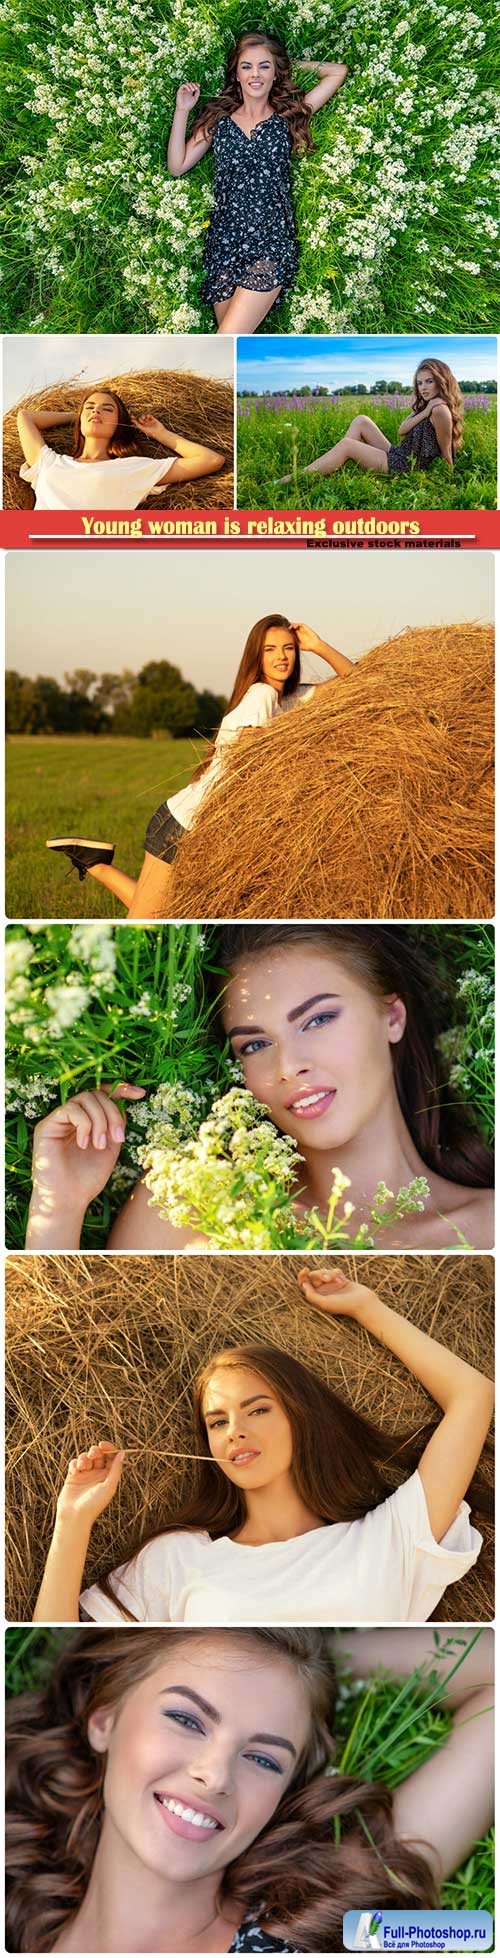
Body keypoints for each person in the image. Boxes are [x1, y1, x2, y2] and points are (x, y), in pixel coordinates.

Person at [31, 1269, 493, 1628]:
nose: (234, 1431)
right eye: (218, 1421)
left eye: (257, 1410)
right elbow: (63, 1649)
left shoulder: (391, 1536)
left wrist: (366, 1307)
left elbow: (474, 1396)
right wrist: (73, 1519)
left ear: (300, 1417)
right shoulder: (179, 1558)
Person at [6, 1624, 494, 1952]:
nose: (216, 1775)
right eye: (185, 1719)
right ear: (105, 1720)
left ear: (287, 1790)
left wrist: (315, 1666)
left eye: (263, 1758)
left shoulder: (326, 1927)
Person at [25, 925, 494, 1253]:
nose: (288, 1066)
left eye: (319, 1019)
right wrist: (59, 1208)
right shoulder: (188, 1206)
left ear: (391, 1017)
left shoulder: (489, 1225)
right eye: (255, 1045)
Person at [44, 620, 354, 919]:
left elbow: (356, 680)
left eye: (288, 648)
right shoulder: (262, 696)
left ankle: (95, 863)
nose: (281, 656)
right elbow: (255, 763)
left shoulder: (291, 699)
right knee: (145, 920)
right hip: (182, 825)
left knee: (155, 913)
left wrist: (318, 645)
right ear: (256, 657)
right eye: (270, 649)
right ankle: (96, 865)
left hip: (195, 827)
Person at [167, 32, 347, 335]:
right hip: (223, 243)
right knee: (231, 341)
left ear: (275, 73)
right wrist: (183, 109)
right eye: (247, 66)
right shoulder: (218, 119)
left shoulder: (288, 118)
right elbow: (177, 166)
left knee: (226, 338)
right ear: (236, 73)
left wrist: (287, 64)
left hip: (269, 241)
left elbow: (336, 72)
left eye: (264, 67)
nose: (255, 74)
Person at [16, 386, 225, 510]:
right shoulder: (49, 463)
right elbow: (25, 417)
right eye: (90, 407)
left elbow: (210, 460)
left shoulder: (133, 469)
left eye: (107, 409)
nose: (96, 411)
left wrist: (160, 434)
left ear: (119, 423)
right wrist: (77, 416)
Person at [279, 362, 463, 487]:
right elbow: (401, 431)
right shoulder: (429, 406)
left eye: (429, 382)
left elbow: (446, 449)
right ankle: (336, 464)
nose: (423, 387)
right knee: (361, 420)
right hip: (400, 454)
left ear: (441, 381)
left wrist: (449, 480)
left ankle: (296, 479)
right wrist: (425, 410)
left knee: (347, 445)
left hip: (405, 467)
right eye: (420, 383)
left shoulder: (440, 411)